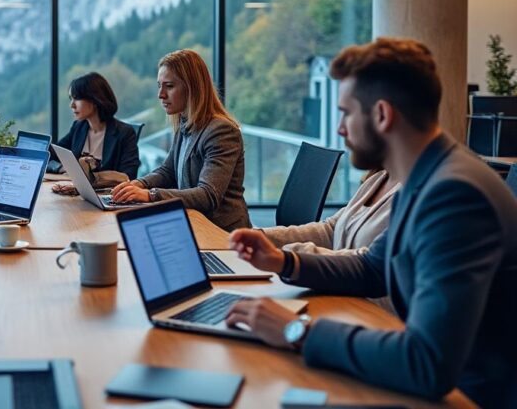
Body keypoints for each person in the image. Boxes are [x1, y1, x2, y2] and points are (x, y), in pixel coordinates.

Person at [225, 38, 517, 406]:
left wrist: (298, 331)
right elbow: (372, 266)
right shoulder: (431, 175)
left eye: (346, 113)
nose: (340, 129)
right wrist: (283, 261)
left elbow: (426, 362)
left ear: (382, 114)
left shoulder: (456, 195)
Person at [112, 49, 249, 231]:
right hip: (194, 222)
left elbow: (208, 195)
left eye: (169, 86)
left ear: (192, 88)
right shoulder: (185, 123)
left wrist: (150, 195)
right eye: (159, 86)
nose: (161, 95)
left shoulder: (221, 131)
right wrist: (139, 184)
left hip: (221, 233)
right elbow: (167, 171)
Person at [262, 169, 399, 257]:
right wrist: (262, 236)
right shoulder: (378, 179)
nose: (340, 130)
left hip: (353, 301)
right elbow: (332, 230)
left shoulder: (413, 198)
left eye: (348, 120)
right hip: (336, 298)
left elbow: (370, 265)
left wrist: (288, 257)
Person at [48, 72, 141, 181]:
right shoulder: (79, 127)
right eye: (71, 99)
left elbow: (129, 175)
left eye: (77, 98)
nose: (72, 105)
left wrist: (87, 175)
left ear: (95, 99)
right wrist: (60, 168)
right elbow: (50, 155)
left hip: (107, 195)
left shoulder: (125, 133)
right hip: (77, 192)